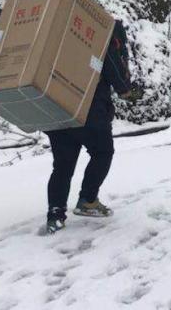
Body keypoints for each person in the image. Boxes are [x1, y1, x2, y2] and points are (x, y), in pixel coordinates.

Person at [40, 19, 137, 235]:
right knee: (103, 152)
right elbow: (111, 63)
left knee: (62, 166)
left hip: (56, 108)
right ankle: (88, 199)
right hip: (88, 109)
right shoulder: (100, 32)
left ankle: (55, 215)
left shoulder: (53, 33)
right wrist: (124, 88)